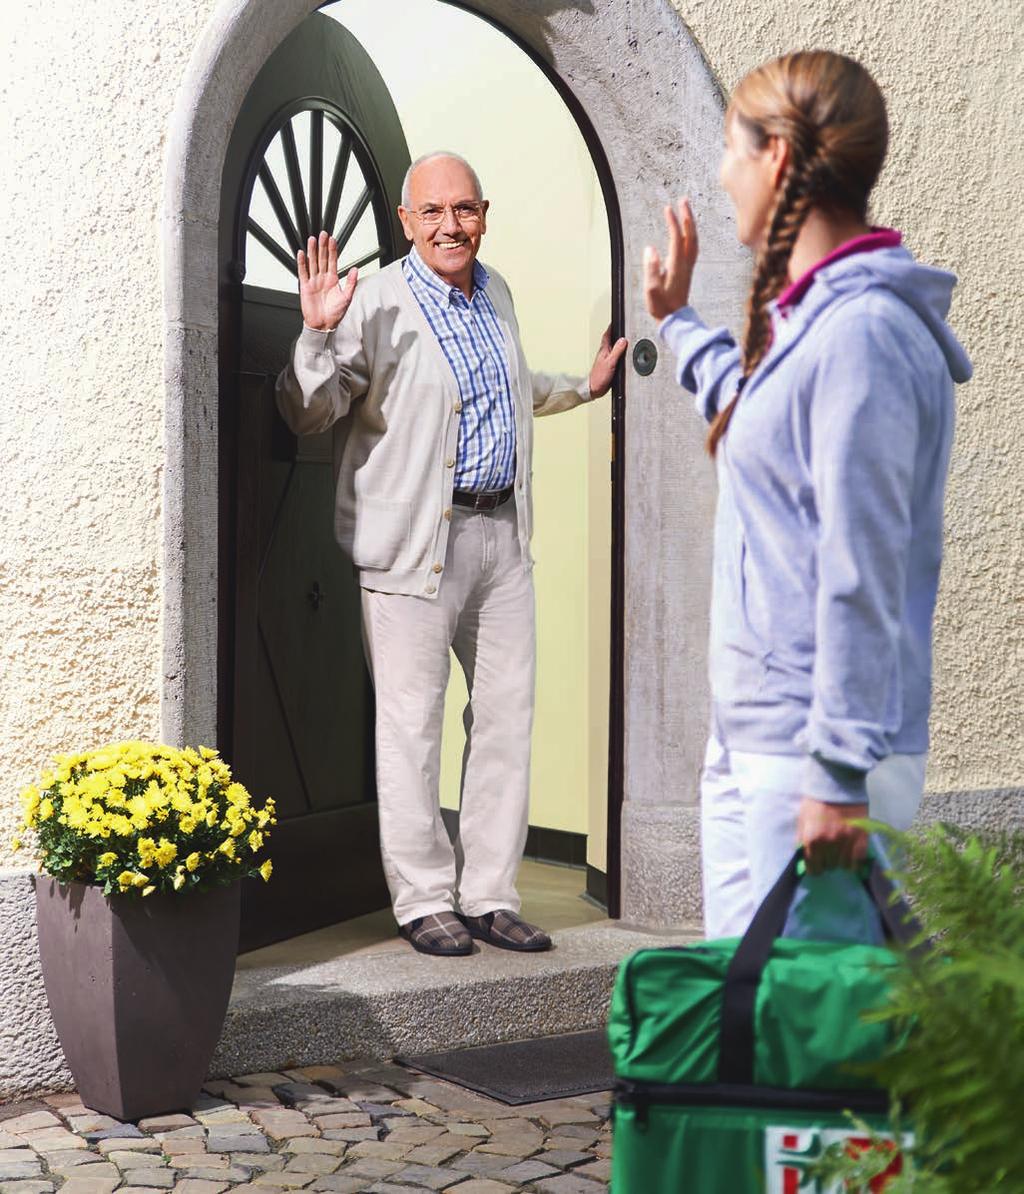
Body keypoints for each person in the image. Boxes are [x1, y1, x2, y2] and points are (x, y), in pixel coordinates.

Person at [643, 51, 972, 938]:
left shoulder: (862, 337)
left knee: (816, 1055)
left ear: (779, 158)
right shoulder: (816, 325)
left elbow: (859, 568)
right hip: (760, 738)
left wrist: (833, 777)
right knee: (760, 1044)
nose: (721, 174)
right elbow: (757, 425)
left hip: (815, 756)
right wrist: (676, 322)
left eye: (731, 150)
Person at [276, 151, 627, 956]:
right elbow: (309, 411)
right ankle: (424, 899)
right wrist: (316, 332)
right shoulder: (377, 301)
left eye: (464, 210)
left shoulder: (495, 290)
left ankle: (490, 895)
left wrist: (584, 385)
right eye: (432, 212)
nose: (450, 226)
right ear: (406, 223)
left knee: (506, 718)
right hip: (413, 546)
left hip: (501, 536)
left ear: (484, 213)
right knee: (412, 726)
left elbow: (506, 387)